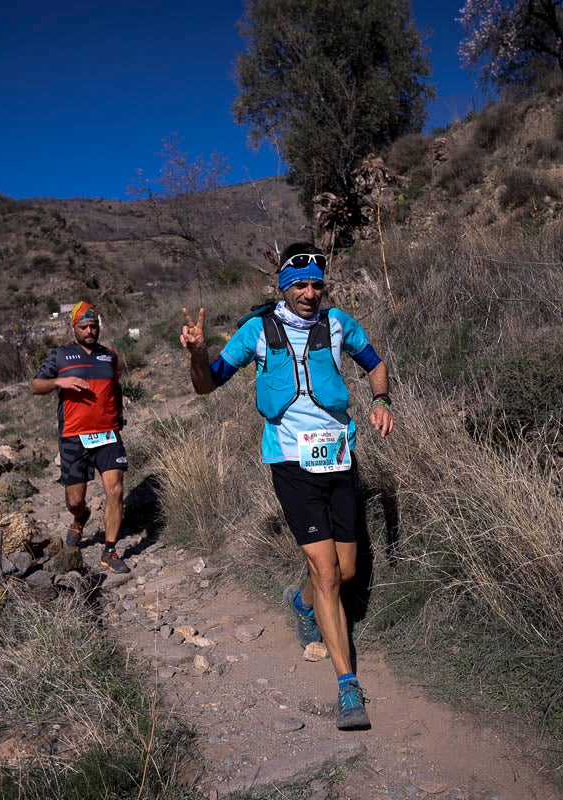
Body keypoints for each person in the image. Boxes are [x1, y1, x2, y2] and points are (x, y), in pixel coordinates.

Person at [179, 242, 393, 730]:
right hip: (290, 462)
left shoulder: (338, 324)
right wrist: (197, 355)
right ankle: (347, 687)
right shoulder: (258, 330)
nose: (310, 293)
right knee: (326, 573)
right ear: (284, 287)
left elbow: (375, 363)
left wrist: (381, 400)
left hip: (338, 456)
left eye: (317, 284)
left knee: (346, 569)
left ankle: (301, 603)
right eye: (301, 284)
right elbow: (208, 383)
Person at [31, 300, 130, 574]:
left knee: (116, 489)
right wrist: (59, 382)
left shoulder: (109, 356)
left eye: (93, 326)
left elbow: (116, 388)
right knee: (75, 499)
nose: (89, 331)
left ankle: (110, 550)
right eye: (83, 326)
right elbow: (35, 386)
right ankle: (80, 517)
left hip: (108, 432)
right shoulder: (60, 356)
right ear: (73, 327)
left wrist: (118, 415)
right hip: (74, 435)